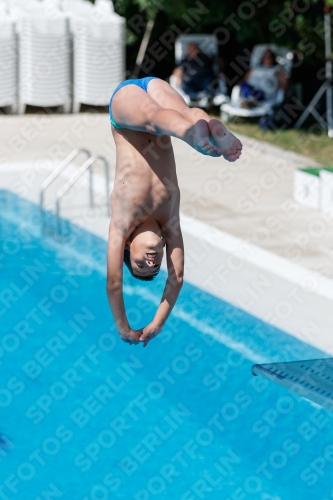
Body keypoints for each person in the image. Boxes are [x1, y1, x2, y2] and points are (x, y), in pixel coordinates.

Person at [107, 76, 242, 347]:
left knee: (153, 118)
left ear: (128, 246)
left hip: (125, 105)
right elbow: (176, 277)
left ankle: (194, 134)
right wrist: (157, 323)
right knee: (186, 114)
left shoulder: (122, 222)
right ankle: (208, 127)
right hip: (158, 94)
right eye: (154, 267)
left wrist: (124, 328)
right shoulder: (170, 223)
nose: (151, 263)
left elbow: (113, 282)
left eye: (139, 265)